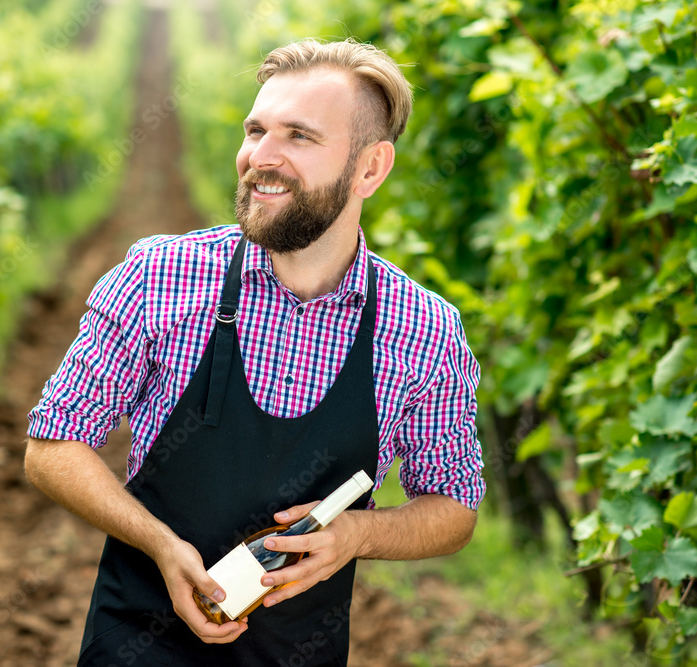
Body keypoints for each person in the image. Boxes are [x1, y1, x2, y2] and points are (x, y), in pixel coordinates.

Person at [25, 37, 485, 666]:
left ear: (370, 168)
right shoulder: (160, 276)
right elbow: (52, 448)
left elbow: (454, 507)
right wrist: (159, 544)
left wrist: (358, 534)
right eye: (255, 130)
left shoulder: (423, 330)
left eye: (299, 136)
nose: (260, 158)